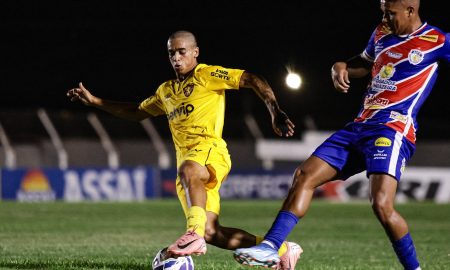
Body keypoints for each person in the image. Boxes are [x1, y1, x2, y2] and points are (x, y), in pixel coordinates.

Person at [234, 0, 450, 269]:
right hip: (359, 126)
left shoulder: (438, 40)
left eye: (390, 13)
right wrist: (342, 66)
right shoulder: (382, 32)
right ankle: (270, 246)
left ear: (410, 10)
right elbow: (365, 62)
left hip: (392, 129)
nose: (385, 18)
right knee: (304, 175)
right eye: (383, 12)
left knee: (381, 205)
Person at [67, 30, 302, 269]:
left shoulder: (207, 75)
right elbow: (137, 112)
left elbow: (252, 78)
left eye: (182, 52)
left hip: (210, 151)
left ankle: (192, 234)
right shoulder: (165, 91)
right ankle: (282, 250)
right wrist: (96, 101)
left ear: (195, 52)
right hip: (187, 165)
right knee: (211, 232)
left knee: (189, 174)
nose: (176, 58)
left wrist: (275, 110)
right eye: (171, 53)